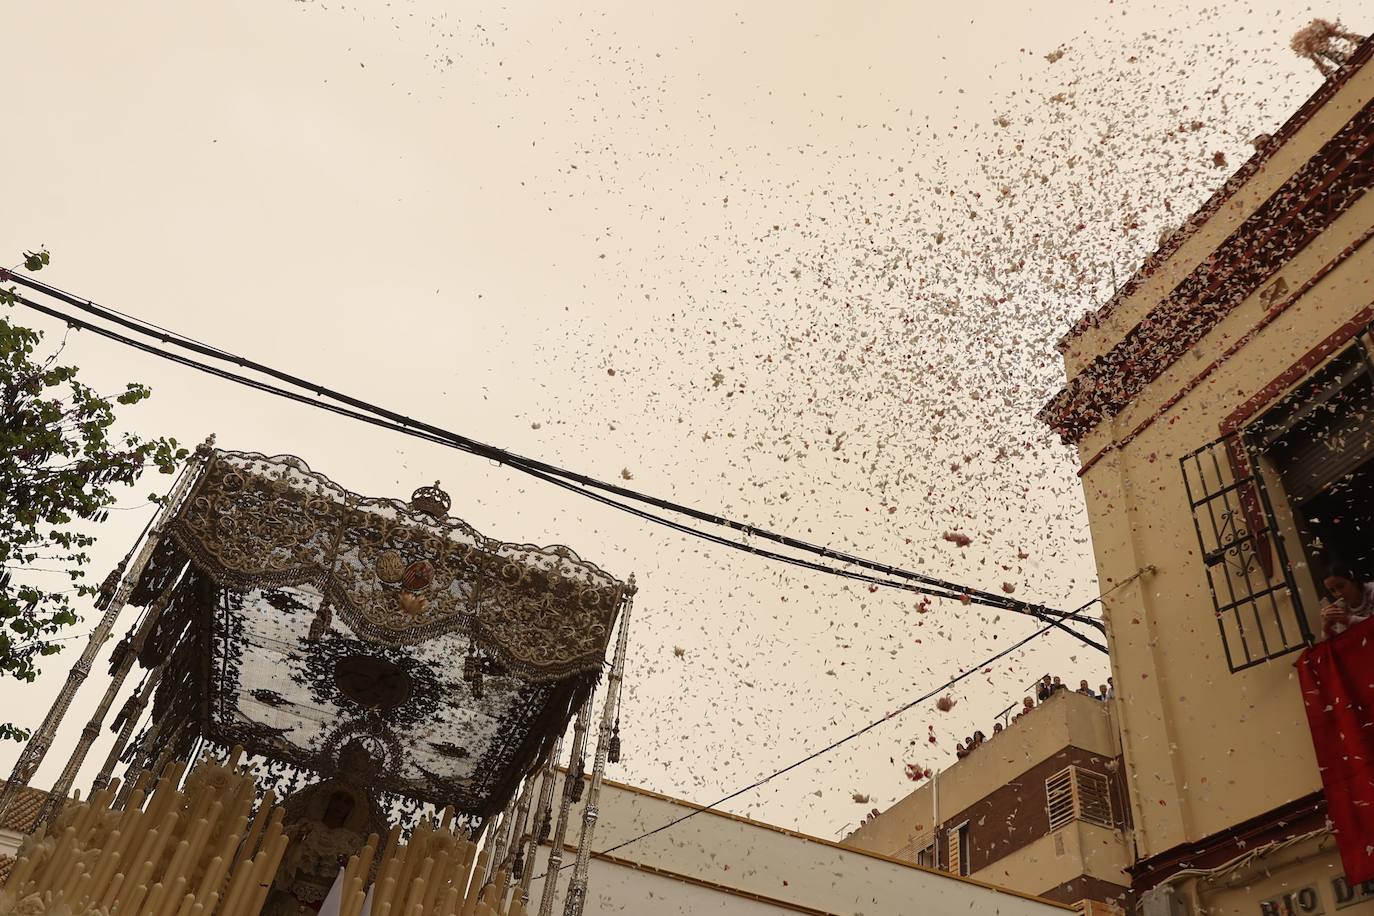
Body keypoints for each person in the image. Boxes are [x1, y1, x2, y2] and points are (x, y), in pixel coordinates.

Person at [1321, 566, 1374, 639]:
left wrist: (1349, 620)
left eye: (1341, 586)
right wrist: (1326, 628)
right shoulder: (1340, 606)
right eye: (1332, 590)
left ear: (1354, 581)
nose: (1338, 593)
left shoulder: (1372, 590)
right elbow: (1345, 640)